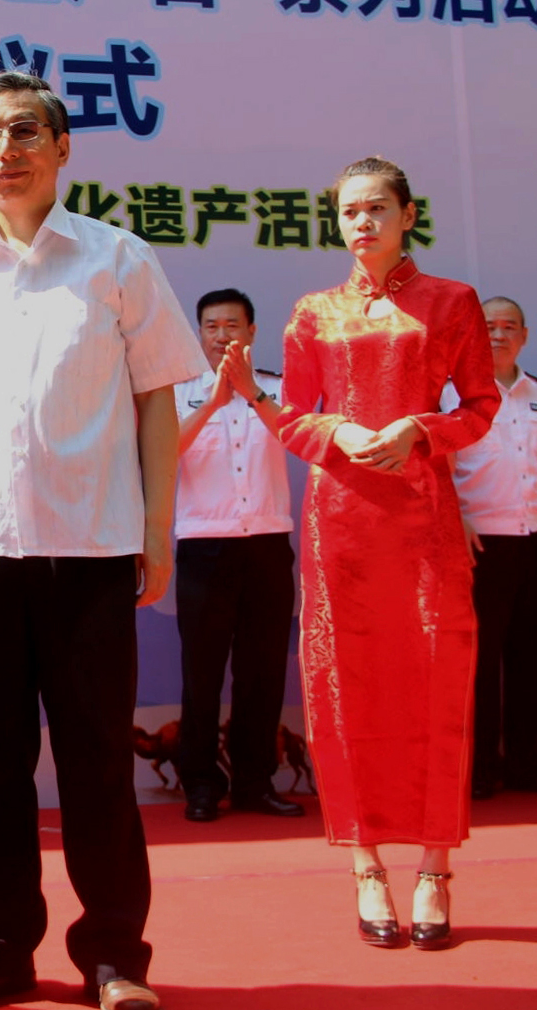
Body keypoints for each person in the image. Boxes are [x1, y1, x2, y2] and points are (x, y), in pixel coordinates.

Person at [0, 70, 204, 1010]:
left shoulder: (117, 259)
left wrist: (155, 528)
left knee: (98, 760)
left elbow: (155, 402)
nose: (3, 151)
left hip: (89, 549)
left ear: (62, 148)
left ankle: (114, 956)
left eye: (23, 131)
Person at [261, 155, 497, 951]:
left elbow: (481, 405)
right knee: (344, 686)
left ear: (407, 215)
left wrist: (419, 429)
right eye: (349, 211)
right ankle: (365, 863)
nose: (361, 222)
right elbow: (292, 414)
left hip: (424, 517)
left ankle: (434, 866)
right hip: (342, 522)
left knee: (435, 680)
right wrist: (339, 431)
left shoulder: (452, 302)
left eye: (376, 208)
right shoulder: (314, 312)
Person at [172, 288, 303, 822]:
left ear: (251, 333)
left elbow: (300, 439)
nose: (222, 336)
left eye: (232, 325)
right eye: (211, 326)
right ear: (198, 333)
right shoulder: (177, 392)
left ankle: (255, 782)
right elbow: (162, 452)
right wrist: (212, 402)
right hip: (204, 548)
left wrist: (250, 393)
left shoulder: (277, 389)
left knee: (263, 672)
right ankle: (201, 784)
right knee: (201, 674)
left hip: (268, 545)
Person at [444, 296, 536, 799]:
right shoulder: (450, 397)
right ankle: (479, 769)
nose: (498, 335)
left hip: (532, 542)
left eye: (508, 327)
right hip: (479, 544)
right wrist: (453, 516)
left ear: (523, 336)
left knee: (529, 659)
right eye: (488, 327)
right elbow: (432, 468)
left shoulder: (535, 394)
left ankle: (526, 765)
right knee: (478, 662)